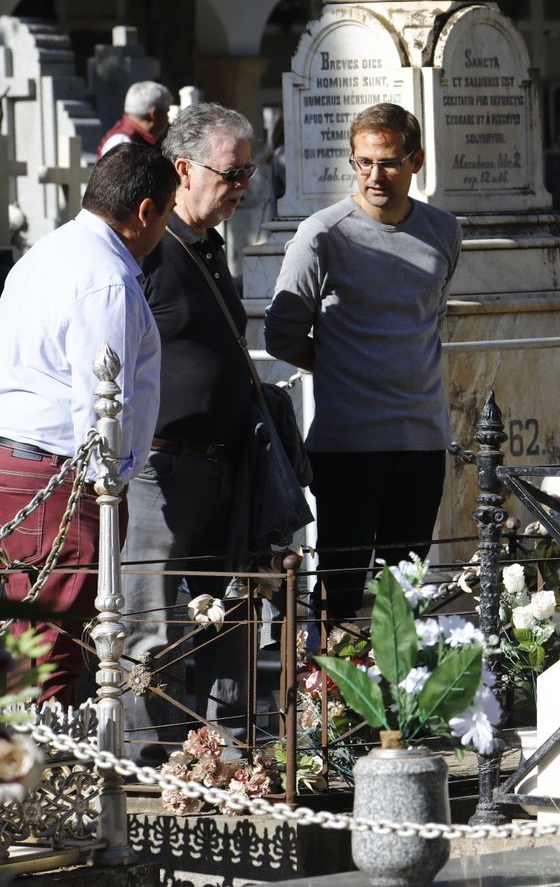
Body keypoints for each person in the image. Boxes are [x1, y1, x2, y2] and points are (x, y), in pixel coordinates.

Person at [265, 103, 462, 628]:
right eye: (364, 162)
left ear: (416, 161)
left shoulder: (443, 231)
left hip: (421, 438)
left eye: (389, 162)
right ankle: (324, 679)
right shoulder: (322, 234)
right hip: (347, 444)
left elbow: (432, 315)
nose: (375, 175)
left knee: (405, 596)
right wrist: (341, 364)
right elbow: (280, 335)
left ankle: (401, 680)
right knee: (340, 593)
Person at [0, 144, 175, 701]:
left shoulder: (46, 252)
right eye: (167, 213)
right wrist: (110, 486)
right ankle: (32, 756)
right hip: (60, 481)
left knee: (22, 643)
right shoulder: (106, 277)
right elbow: (101, 405)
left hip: (19, 465)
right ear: (145, 211)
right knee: (48, 652)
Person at [121, 103, 258, 764]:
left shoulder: (208, 245)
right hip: (163, 469)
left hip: (227, 467)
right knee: (151, 622)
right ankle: (148, 762)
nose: (242, 187)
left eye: (249, 174)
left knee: (229, 616)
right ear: (183, 169)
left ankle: (223, 756)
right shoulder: (148, 250)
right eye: (232, 174)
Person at [99, 81, 174, 157]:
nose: (168, 119)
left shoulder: (138, 139)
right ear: (154, 114)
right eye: (166, 112)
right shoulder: (122, 143)